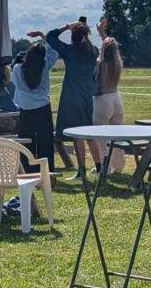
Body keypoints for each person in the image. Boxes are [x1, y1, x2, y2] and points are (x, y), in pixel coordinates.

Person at [46, 19, 97, 176]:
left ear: (72, 36)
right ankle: (100, 167)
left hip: (71, 95)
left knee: (77, 134)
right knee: (89, 132)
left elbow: (50, 36)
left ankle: (81, 169)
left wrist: (67, 26)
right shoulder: (94, 51)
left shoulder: (69, 51)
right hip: (87, 94)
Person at [13, 40, 58, 168]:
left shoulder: (17, 68)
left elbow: (14, 83)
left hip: (25, 108)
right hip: (43, 107)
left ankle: (28, 169)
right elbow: (53, 53)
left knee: (26, 140)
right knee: (46, 140)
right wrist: (45, 38)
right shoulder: (45, 66)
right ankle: (47, 169)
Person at [91, 18, 126, 174]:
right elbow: (111, 48)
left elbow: (107, 49)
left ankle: (104, 167)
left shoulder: (99, 64)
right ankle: (118, 167)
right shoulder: (118, 63)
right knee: (117, 138)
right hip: (116, 99)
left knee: (101, 138)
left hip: (102, 101)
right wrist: (103, 34)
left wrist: (101, 35)